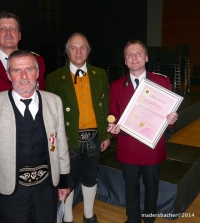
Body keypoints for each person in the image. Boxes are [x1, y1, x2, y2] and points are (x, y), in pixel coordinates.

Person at [0, 49, 70, 223]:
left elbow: (61, 145)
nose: (24, 76)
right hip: (11, 192)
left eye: (29, 69)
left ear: (38, 72)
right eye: (17, 70)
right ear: (8, 75)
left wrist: (64, 181)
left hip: (46, 190)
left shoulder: (54, 101)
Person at [107, 39, 178, 223]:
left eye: (138, 53)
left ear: (146, 57)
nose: (134, 58)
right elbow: (113, 114)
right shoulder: (116, 85)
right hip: (128, 148)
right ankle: (133, 219)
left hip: (152, 149)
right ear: (125, 61)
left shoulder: (161, 81)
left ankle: (149, 219)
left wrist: (171, 120)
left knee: (151, 189)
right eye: (129, 55)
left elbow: (168, 115)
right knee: (130, 189)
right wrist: (112, 127)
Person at [46, 32, 111, 223]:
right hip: (68, 140)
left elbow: (105, 105)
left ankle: (89, 215)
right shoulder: (55, 78)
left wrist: (105, 133)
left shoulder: (99, 74)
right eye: (73, 47)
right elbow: (50, 115)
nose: (78, 51)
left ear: (88, 51)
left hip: (94, 138)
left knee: (91, 178)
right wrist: (53, 143)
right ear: (67, 51)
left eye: (82, 47)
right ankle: (67, 218)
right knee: (67, 180)